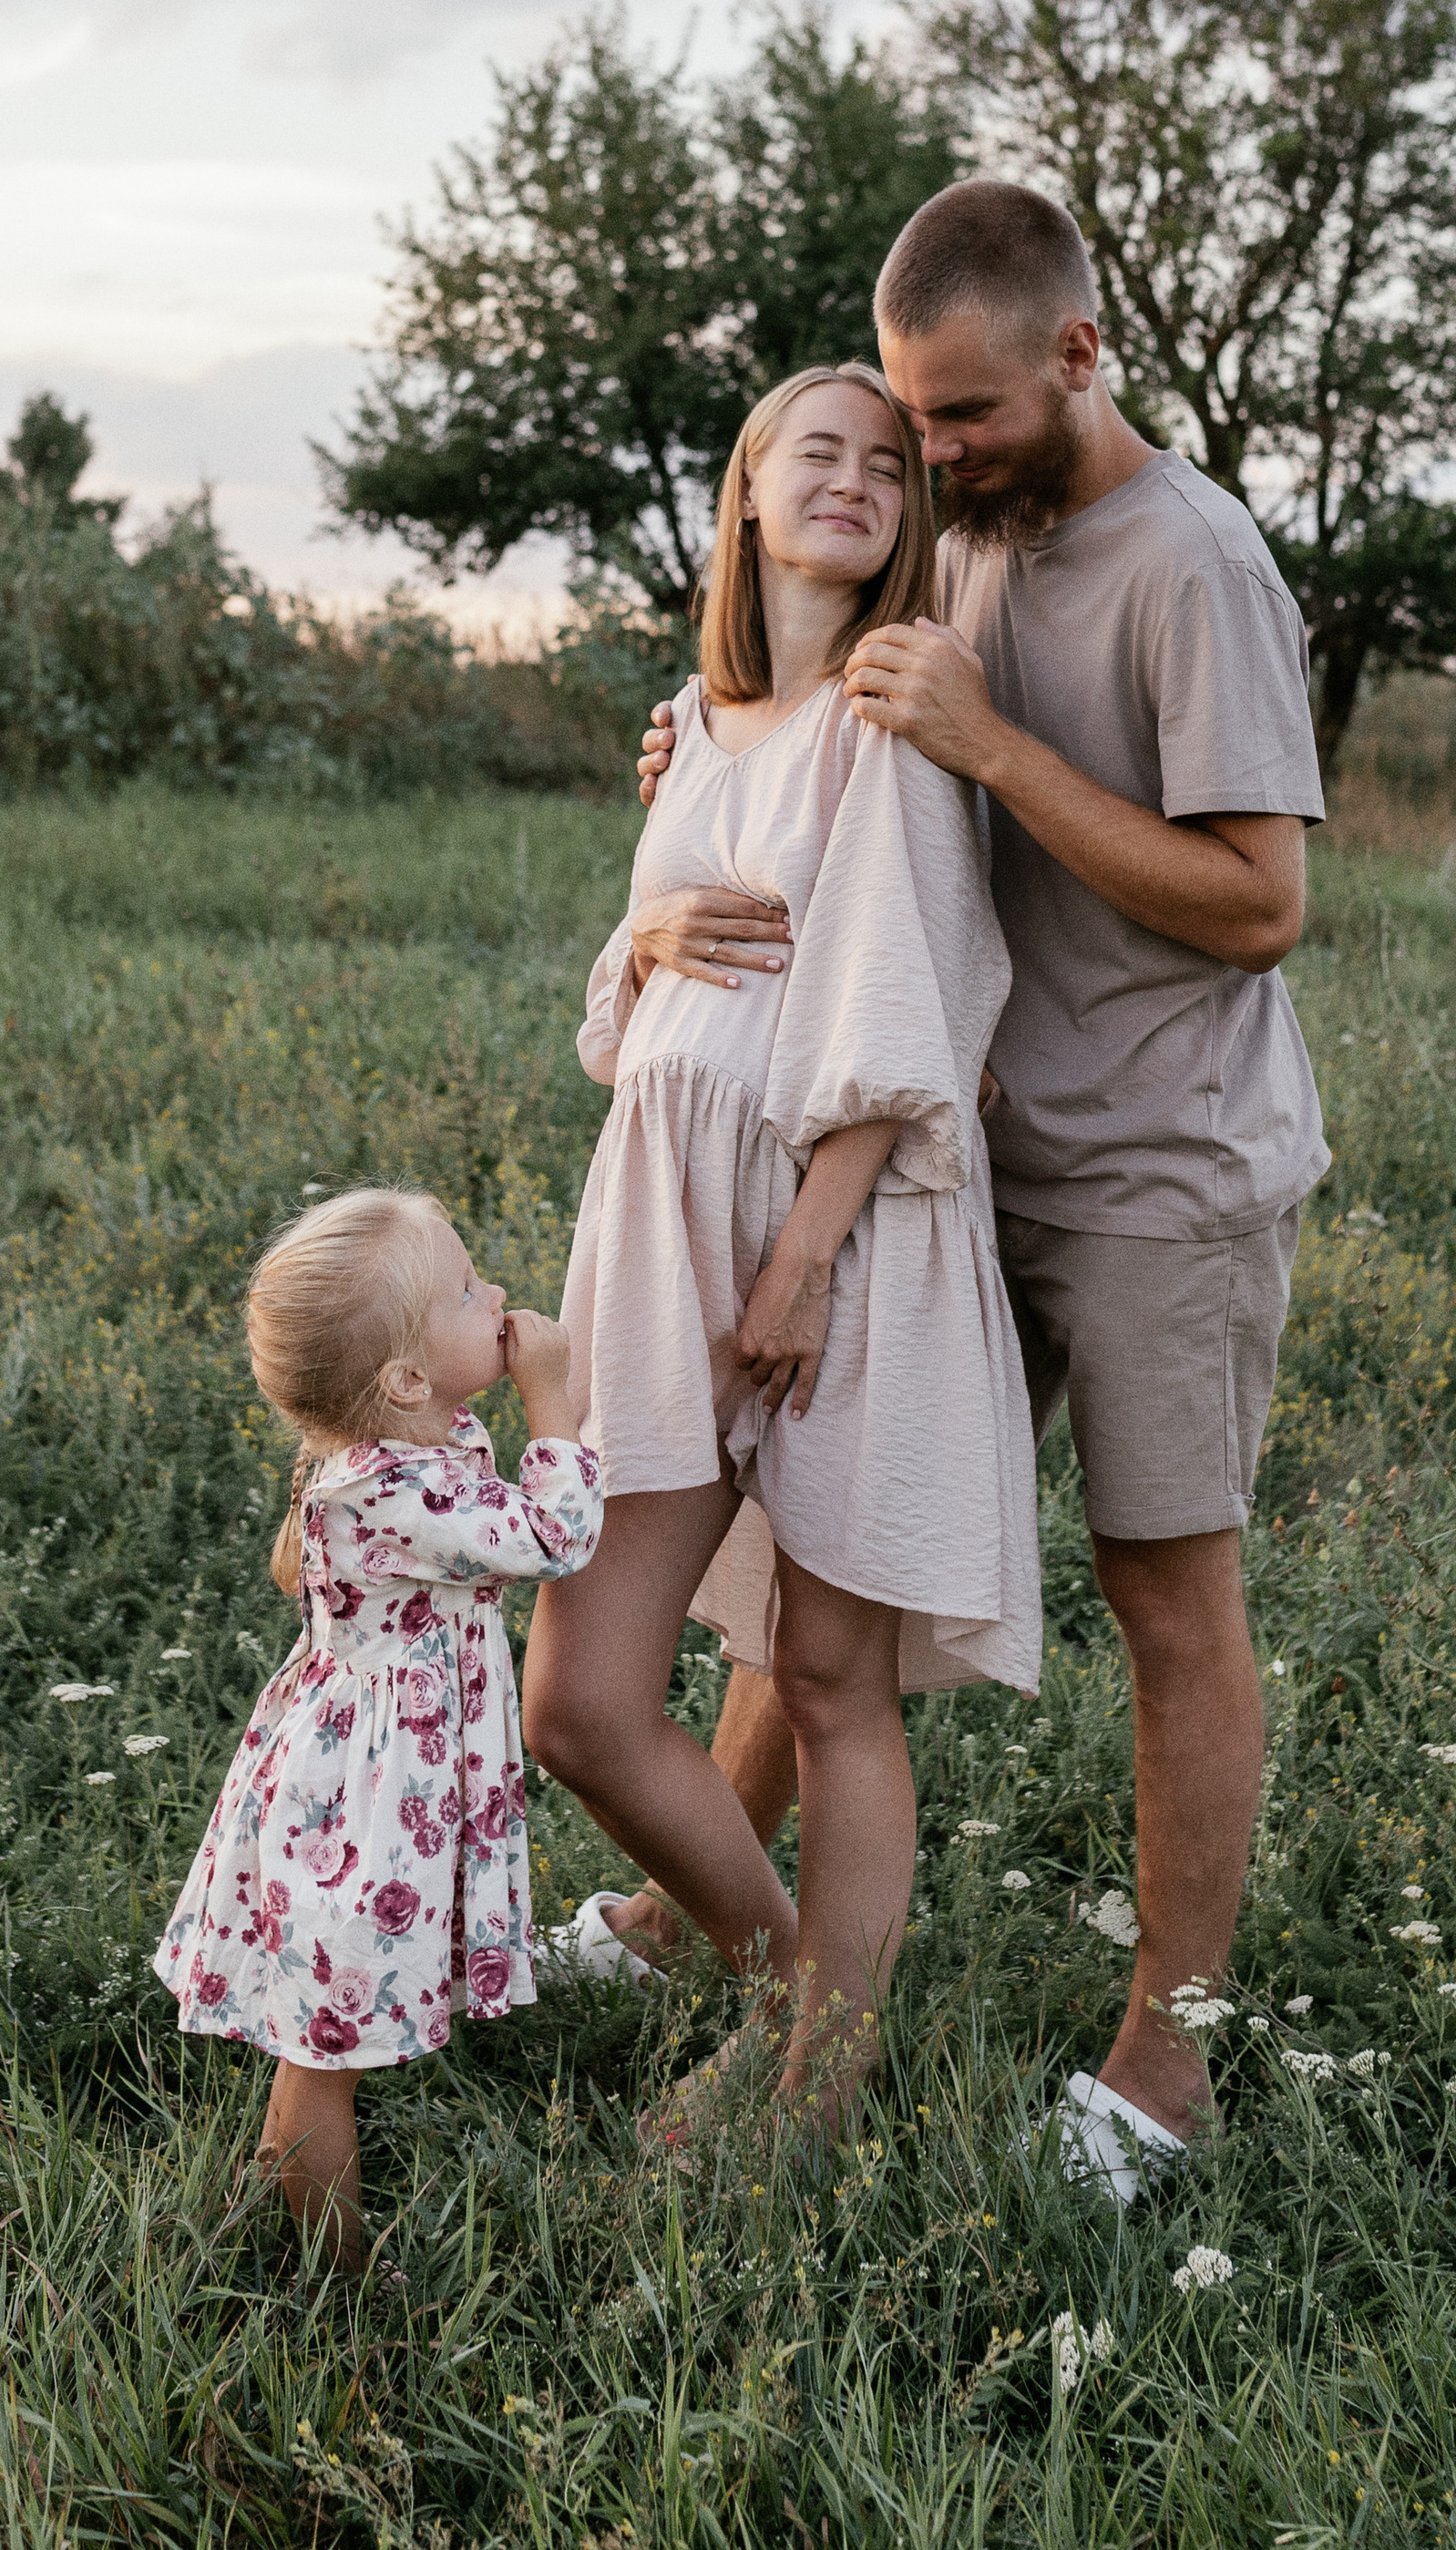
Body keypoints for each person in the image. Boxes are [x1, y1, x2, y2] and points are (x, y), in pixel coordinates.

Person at [630, 181, 1328, 2202]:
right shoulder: (976, 532)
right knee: (822, 1534)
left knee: (1162, 1595)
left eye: (960, 416)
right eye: (908, 422)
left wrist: (994, 746)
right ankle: (700, 1911)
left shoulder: (1186, 564)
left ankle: (1152, 2077)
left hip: (1150, 1169)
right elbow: (851, 741)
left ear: (1079, 357)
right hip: (949, 1154)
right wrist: (711, 747)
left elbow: (1261, 904)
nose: (928, 454)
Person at [521, 362, 1040, 2126]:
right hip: (661, 1230)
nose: (852, 481)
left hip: (840, 1241)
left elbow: (912, 1008)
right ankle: (786, 2001)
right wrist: (648, 921)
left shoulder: (888, 718)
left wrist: (805, 1256)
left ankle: (811, 2077)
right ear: (742, 496)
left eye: (885, 465)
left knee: (826, 1671)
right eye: (810, 454)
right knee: (580, 1701)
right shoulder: (691, 718)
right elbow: (626, 1011)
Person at [152, 1188, 601, 2264]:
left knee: (329, 2034)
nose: (491, 1293)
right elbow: (552, 1540)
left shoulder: (420, 1446)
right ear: (402, 1378)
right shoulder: (390, 1489)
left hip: (383, 1775)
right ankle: (335, 2275)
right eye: (463, 1288)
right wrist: (555, 1409)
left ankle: (284, 2197)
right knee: (327, 2045)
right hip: (362, 1801)